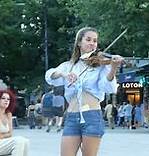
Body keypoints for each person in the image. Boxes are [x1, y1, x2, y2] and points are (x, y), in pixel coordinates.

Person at [45, 27, 123, 156]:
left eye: (95, 41)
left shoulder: (100, 65)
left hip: (92, 115)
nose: (92, 43)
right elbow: (49, 76)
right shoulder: (68, 65)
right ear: (79, 42)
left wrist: (113, 68)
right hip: (71, 116)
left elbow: (109, 88)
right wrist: (64, 75)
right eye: (88, 39)